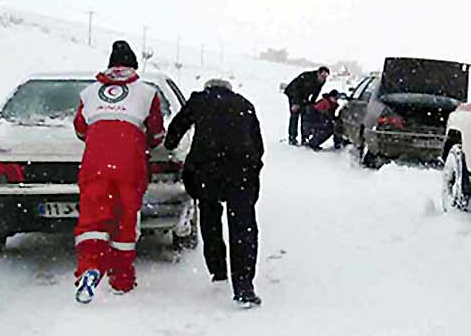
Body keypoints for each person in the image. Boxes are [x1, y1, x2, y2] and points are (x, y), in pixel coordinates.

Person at [71, 41, 165, 303]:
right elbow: (156, 133)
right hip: (130, 164)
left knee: (92, 218)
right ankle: (122, 278)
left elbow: (80, 129)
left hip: (95, 162)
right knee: (125, 218)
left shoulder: (89, 92)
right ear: (134, 66)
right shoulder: (147, 92)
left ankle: (90, 267)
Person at [165, 78, 264, 307]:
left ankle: (218, 271)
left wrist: (170, 144)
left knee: (210, 218)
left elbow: (177, 127)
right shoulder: (244, 105)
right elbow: (257, 145)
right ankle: (244, 288)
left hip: (206, 171)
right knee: (243, 227)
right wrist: (253, 166)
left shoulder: (200, 101)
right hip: (240, 172)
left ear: (208, 88)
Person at [283, 65, 329, 145]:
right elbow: (296, 89)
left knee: (305, 115)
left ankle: (304, 137)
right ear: (318, 73)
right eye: (322, 76)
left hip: (304, 96)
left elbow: (316, 92)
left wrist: (312, 104)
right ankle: (292, 137)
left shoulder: (322, 81)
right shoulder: (307, 77)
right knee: (295, 114)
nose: (323, 78)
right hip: (293, 93)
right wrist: (295, 103)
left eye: (325, 77)